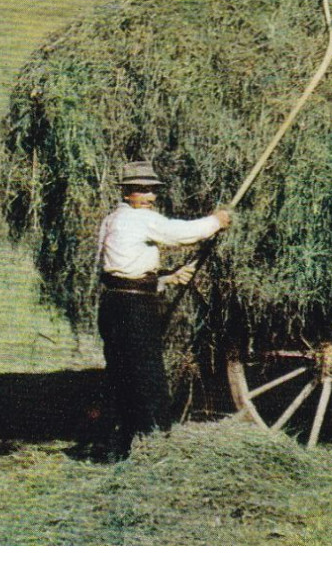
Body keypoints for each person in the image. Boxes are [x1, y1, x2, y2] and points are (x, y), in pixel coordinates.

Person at [96, 161, 231, 460]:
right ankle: (156, 441)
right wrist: (215, 221)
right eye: (142, 190)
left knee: (121, 372)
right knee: (148, 373)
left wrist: (165, 279)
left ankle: (117, 443)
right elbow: (179, 234)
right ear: (127, 192)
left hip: (114, 302)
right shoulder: (138, 219)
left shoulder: (112, 220)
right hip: (133, 308)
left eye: (152, 191)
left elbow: (121, 268)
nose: (149, 197)